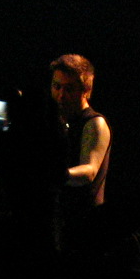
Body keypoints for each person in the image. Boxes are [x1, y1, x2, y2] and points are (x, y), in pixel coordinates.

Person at [48, 53, 111, 261]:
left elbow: (89, 171)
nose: (61, 95)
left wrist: (51, 175)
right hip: (58, 223)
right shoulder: (54, 121)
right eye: (57, 87)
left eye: (69, 89)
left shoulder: (94, 123)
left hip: (84, 227)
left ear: (86, 91)